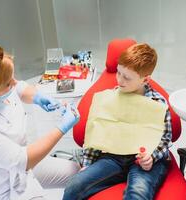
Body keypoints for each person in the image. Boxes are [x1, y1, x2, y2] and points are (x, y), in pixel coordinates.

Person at [0, 44, 80, 200]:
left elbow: (19, 88)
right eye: (8, 83)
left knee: (78, 174)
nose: (14, 83)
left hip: (21, 167)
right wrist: (62, 127)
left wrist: (38, 96)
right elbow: (22, 160)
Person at [63, 43, 172, 200]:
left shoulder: (157, 104)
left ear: (145, 79)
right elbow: (96, 134)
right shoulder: (109, 99)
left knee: (138, 194)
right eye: (119, 73)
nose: (119, 80)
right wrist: (87, 164)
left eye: (126, 77)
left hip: (143, 160)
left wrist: (152, 157)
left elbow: (165, 139)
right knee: (75, 186)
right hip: (113, 157)